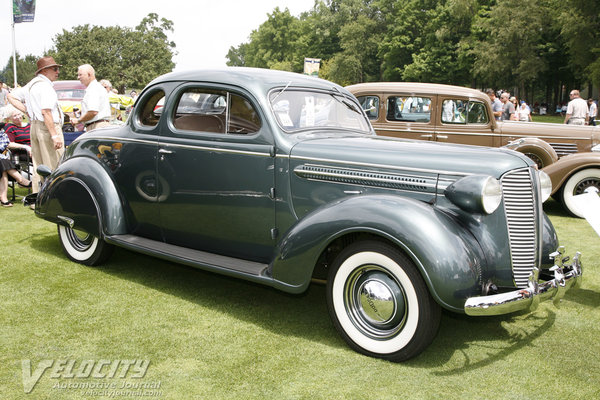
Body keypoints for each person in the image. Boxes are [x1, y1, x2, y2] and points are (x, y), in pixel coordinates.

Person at [7, 56, 64, 193]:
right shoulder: (45, 87)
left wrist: (28, 111)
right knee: (54, 163)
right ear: (44, 71)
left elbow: (11, 96)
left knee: (39, 165)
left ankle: (38, 198)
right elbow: (46, 112)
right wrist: (54, 135)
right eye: (54, 69)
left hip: (35, 126)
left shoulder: (31, 85)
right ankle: (55, 198)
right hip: (47, 127)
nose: (57, 72)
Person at [70, 64, 111, 131]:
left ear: (89, 74)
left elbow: (93, 112)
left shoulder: (93, 89)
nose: (78, 77)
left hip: (97, 127)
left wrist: (78, 120)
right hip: (99, 125)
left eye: (80, 75)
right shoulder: (96, 87)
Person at [0, 130, 31, 207]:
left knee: (2, 164)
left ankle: (3, 198)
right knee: (2, 162)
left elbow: (5, 144)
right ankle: (21, 180)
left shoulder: (1, 131)